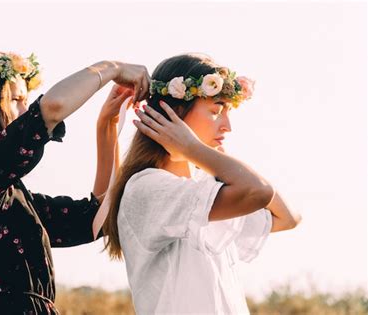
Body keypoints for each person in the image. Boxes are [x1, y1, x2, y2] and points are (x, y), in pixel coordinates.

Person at [0, 49, 149, 314]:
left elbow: (93, 219)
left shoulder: (8, 195)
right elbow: (51, 109)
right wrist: (112, 67)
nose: (25, 109)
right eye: (17, 99)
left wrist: (107, 125)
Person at [102, 53, 302, 315]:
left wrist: (200, 153)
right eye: (215, 111)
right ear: (174, 113)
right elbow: (260, 192)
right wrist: (193, 147)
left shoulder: (203, 190)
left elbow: (288, 218)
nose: (227, 126)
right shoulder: (148, 188)